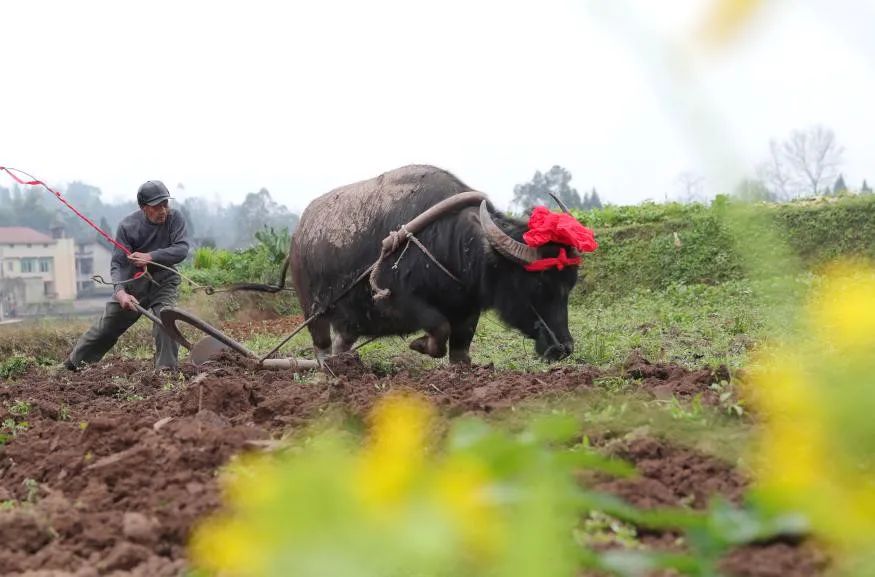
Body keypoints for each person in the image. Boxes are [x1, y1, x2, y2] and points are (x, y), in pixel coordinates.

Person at [64, 180, 190, 372]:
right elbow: (118, 264)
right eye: (157, 207)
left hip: (164, 281)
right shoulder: (127, 227)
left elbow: (181, 249)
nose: (163, 210)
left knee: (165, 319)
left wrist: (150, 257)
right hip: (133, 284)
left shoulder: (175, 218)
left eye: (165, 204)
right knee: (107, 326)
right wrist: (121, 293)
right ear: (144, 208)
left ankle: (166, 371)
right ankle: (73, 365)